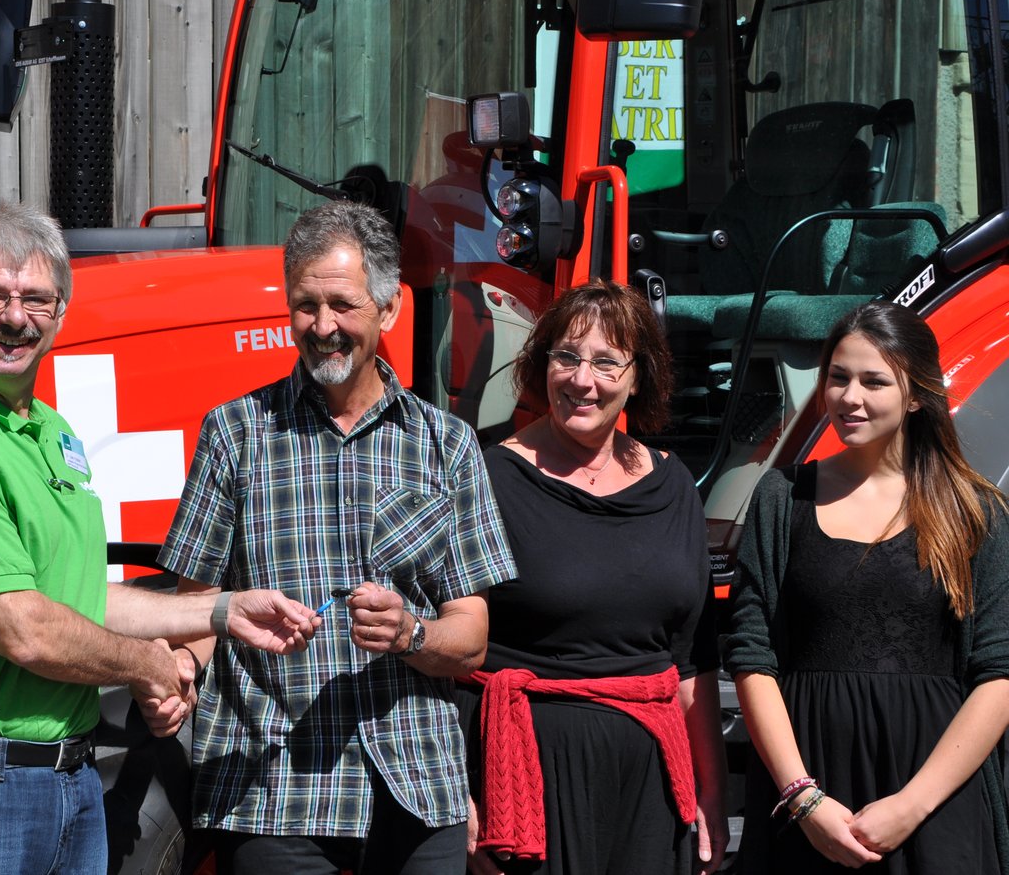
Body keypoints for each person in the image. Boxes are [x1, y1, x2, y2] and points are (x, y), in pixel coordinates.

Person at [0, 201, 318, 875]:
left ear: (61, 313)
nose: (15, 317)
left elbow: (80, 597)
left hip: (64, 782)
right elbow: (24, 628)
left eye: (36, 298)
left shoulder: (50, 430)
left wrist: (222, 610)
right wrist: (147, 665)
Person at [158, 200, 517, 874]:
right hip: (273, 788)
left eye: (342, 305)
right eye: (306, 305)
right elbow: (197, 607)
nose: (323, 326)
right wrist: (179, 667)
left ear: (389, 309)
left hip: (416, 782)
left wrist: (410, 632)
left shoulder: (447, 444)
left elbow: (470, 638)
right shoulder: (235, 433)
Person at [725, 301, 1009, 873]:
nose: (849, 397)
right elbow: (752, 656)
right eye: (837, 377)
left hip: (935, 802)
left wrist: (911, 805)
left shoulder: (976, 511)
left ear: (916, 394)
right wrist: (804, 799)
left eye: (873, 381)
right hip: (809, 792)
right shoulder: (782, 497)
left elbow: (998, 674)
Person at [465, 280, 728, 875]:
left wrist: (711, 791)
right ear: (542, 365)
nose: (582, 380)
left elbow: (693, 661)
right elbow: (445, 650)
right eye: (567, 356)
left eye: (607, 362)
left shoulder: (674, 485)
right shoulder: (486, 479)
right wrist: (461, 799)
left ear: (639, 378)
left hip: (649, 786)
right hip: (525, 784)